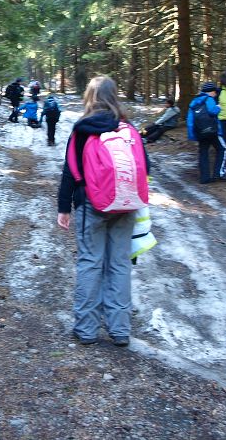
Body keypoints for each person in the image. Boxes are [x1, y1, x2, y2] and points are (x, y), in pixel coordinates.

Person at [57, 76, 144, 348]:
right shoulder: (128, 128)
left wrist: (64, 208)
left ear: (90, 97)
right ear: (114, 95)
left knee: (90, 263)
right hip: (125, 203)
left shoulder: (83, 128)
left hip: (91, 204)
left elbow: (70, 170)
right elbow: (145, 168)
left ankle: (86, 329)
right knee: (120, 264)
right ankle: (120, 330)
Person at [187, 81, 226, 184]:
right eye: (215, 92)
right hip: (212, 131)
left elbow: (190, 120)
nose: (215, 94)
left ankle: (204, 177)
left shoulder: (194, 101)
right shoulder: (209, 99)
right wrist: (219, 107)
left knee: (203, 153)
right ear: (211, 91)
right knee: (222, 149)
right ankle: (218, 173)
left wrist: (192, 134)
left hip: (200, 132)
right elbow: (212, 111)